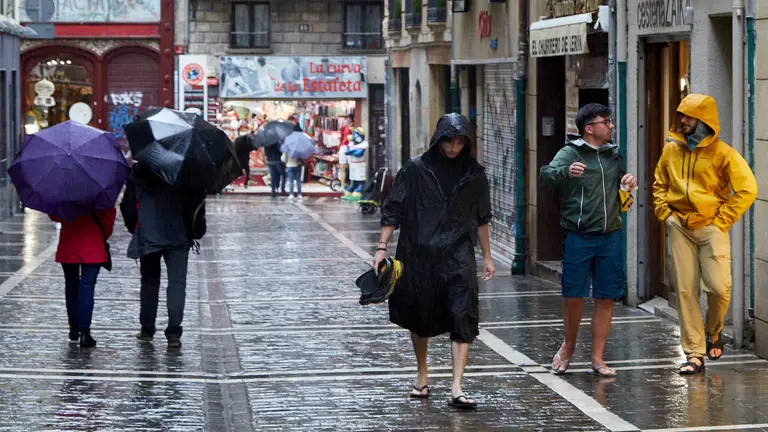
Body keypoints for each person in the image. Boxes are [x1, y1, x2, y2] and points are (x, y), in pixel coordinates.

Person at [374, 113, 496, 410]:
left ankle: (457, 386)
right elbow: (394, 209)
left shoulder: (474, 174)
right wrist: (381, 247)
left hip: (458, 253)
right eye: (449, 141)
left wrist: (488, 257)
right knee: (419, 314)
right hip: (418, 252)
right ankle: (422, 373)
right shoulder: (415, 169)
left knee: (463, 314)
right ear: (438, 139)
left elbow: (482, 218)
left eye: (460, 142)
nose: (454, 148)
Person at [652, 94, 757, 375]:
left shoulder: (723, 153)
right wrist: (666, 214)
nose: (682, 121)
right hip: (679, 226)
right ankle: (694, 353)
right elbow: (659, 183)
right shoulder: (671, 151)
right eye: (681, 115)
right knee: (685, 290)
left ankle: (714, 331)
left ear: (704, 120)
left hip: (712, 226)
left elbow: (748, 188)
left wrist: (722, 219)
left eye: (688, 116)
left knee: (720, 288)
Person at [539, 103, 637, 378]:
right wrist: (565, 172)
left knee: (606, 296)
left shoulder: (612, 153)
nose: (611, 126)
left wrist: (628, 182)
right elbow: (545, 175)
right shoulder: (570, 152)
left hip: (611, 235)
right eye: (606, 122)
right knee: (573, 296)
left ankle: (597, 358)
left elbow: (623, 186)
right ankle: (568, 347)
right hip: (578, 236)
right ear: (589, 128)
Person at [127, 166, 205, 349]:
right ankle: (173, 333)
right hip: (179, 234)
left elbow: (128, 206)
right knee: (177, 284)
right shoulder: (187, 169)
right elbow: (197, 203)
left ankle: (147, 329)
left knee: (149, 282)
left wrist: (137, 227)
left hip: (149, 234)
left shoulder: (140, 170)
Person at [51, 209, 116, 347]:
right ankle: (85, 332)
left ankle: (74, 329)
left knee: (71, 286)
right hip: (93, 244)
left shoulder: (65, 190)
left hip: (69, 243)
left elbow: (55, 215)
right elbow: (108, 219)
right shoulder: (101, 191)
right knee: (87, 286)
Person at [342, 127, 369, 201]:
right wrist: (353, 151)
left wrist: (352, 151)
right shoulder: (351, 143)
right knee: (353, 178)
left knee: (360, 178)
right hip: (353, 164)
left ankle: (359, 189)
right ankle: (352, 187)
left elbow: (359, 154)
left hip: (360, 164)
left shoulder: (364, 144)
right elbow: (347, 152)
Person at [338, 114, 355, 188]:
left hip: (350, 147)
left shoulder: (354, 127)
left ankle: (351, 184)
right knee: (342, 166)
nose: (347, 120)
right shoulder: (345, 127)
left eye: (348, 118)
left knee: (351, 166)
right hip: (344, 147)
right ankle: (342, 184)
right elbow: (342, 138)